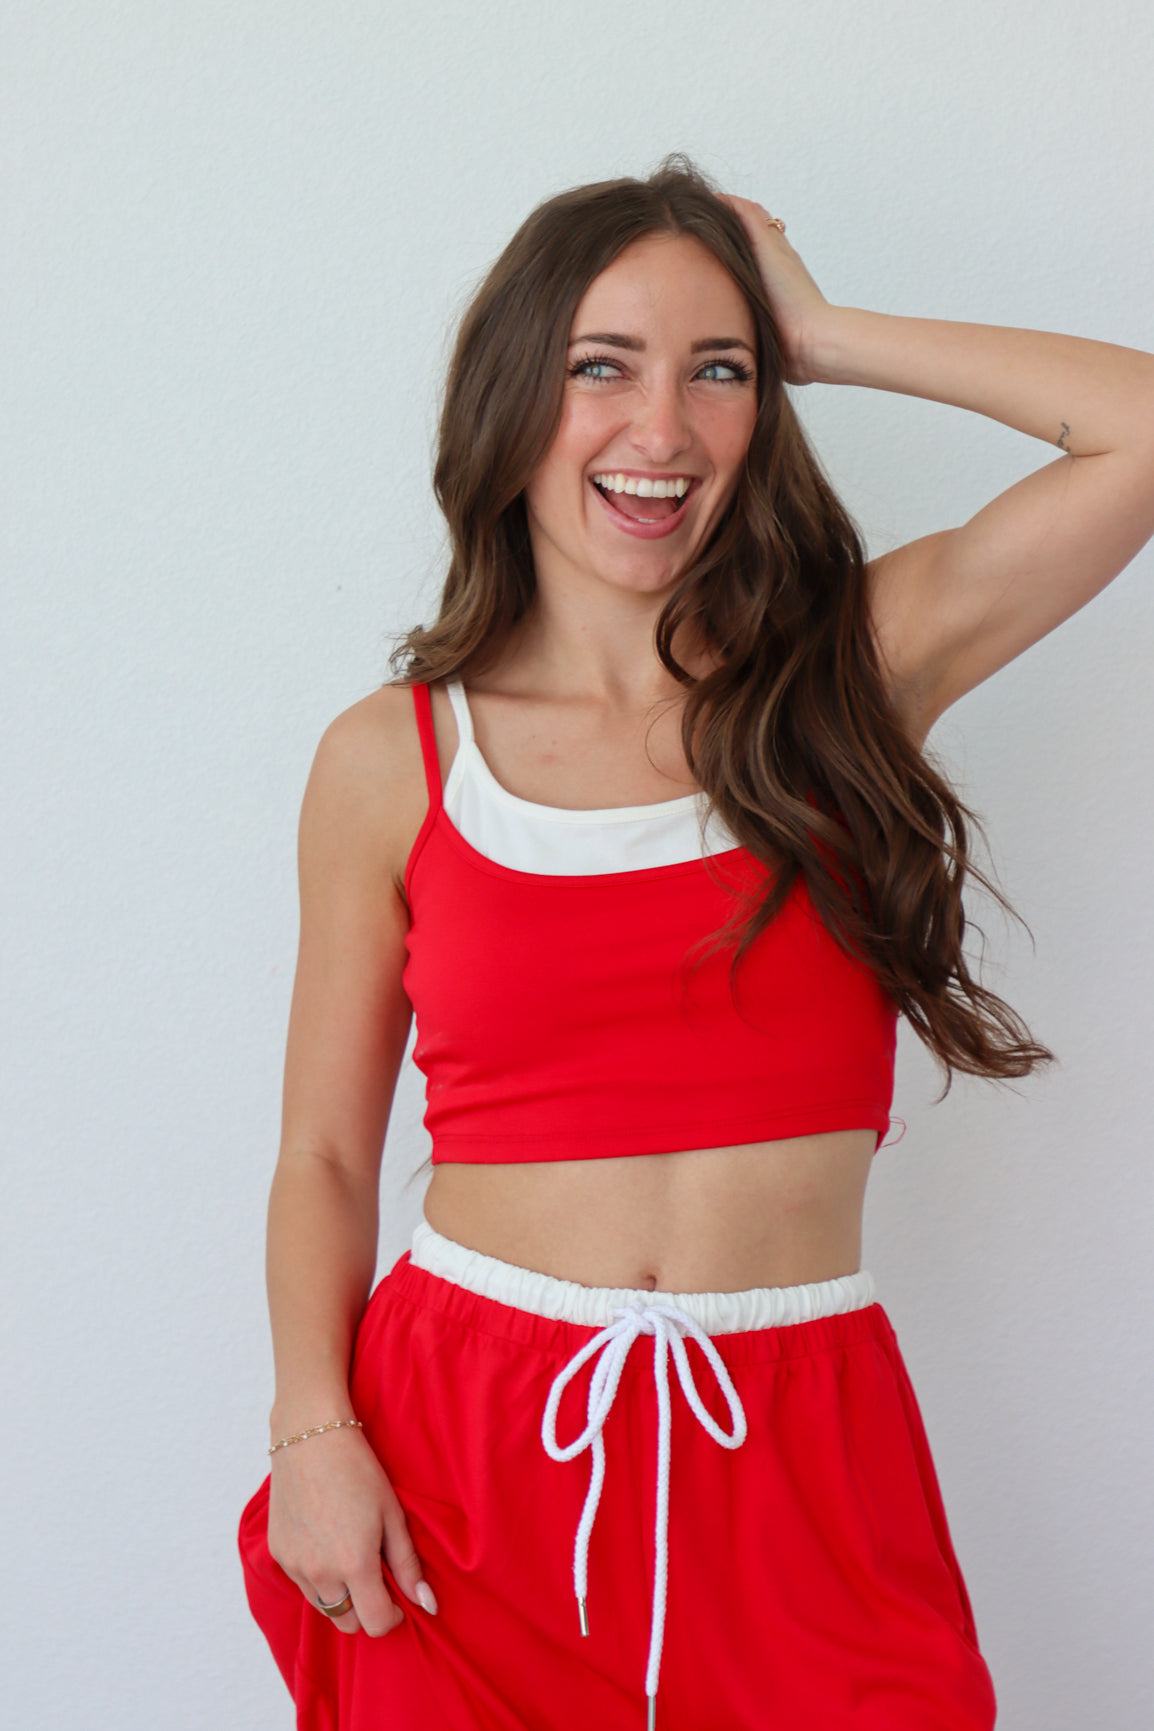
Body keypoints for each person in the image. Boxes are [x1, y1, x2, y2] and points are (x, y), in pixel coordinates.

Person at [238, 157, 1154, 1729]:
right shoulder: (393, 758)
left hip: (800, 1438)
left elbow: (1136, 434)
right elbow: (324, 1155)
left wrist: (824, 328)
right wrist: (312, 1434)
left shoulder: (849, 676)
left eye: (714, 373)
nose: (658, 433)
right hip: (466, 1446)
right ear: (514, 398)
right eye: (601, 367)